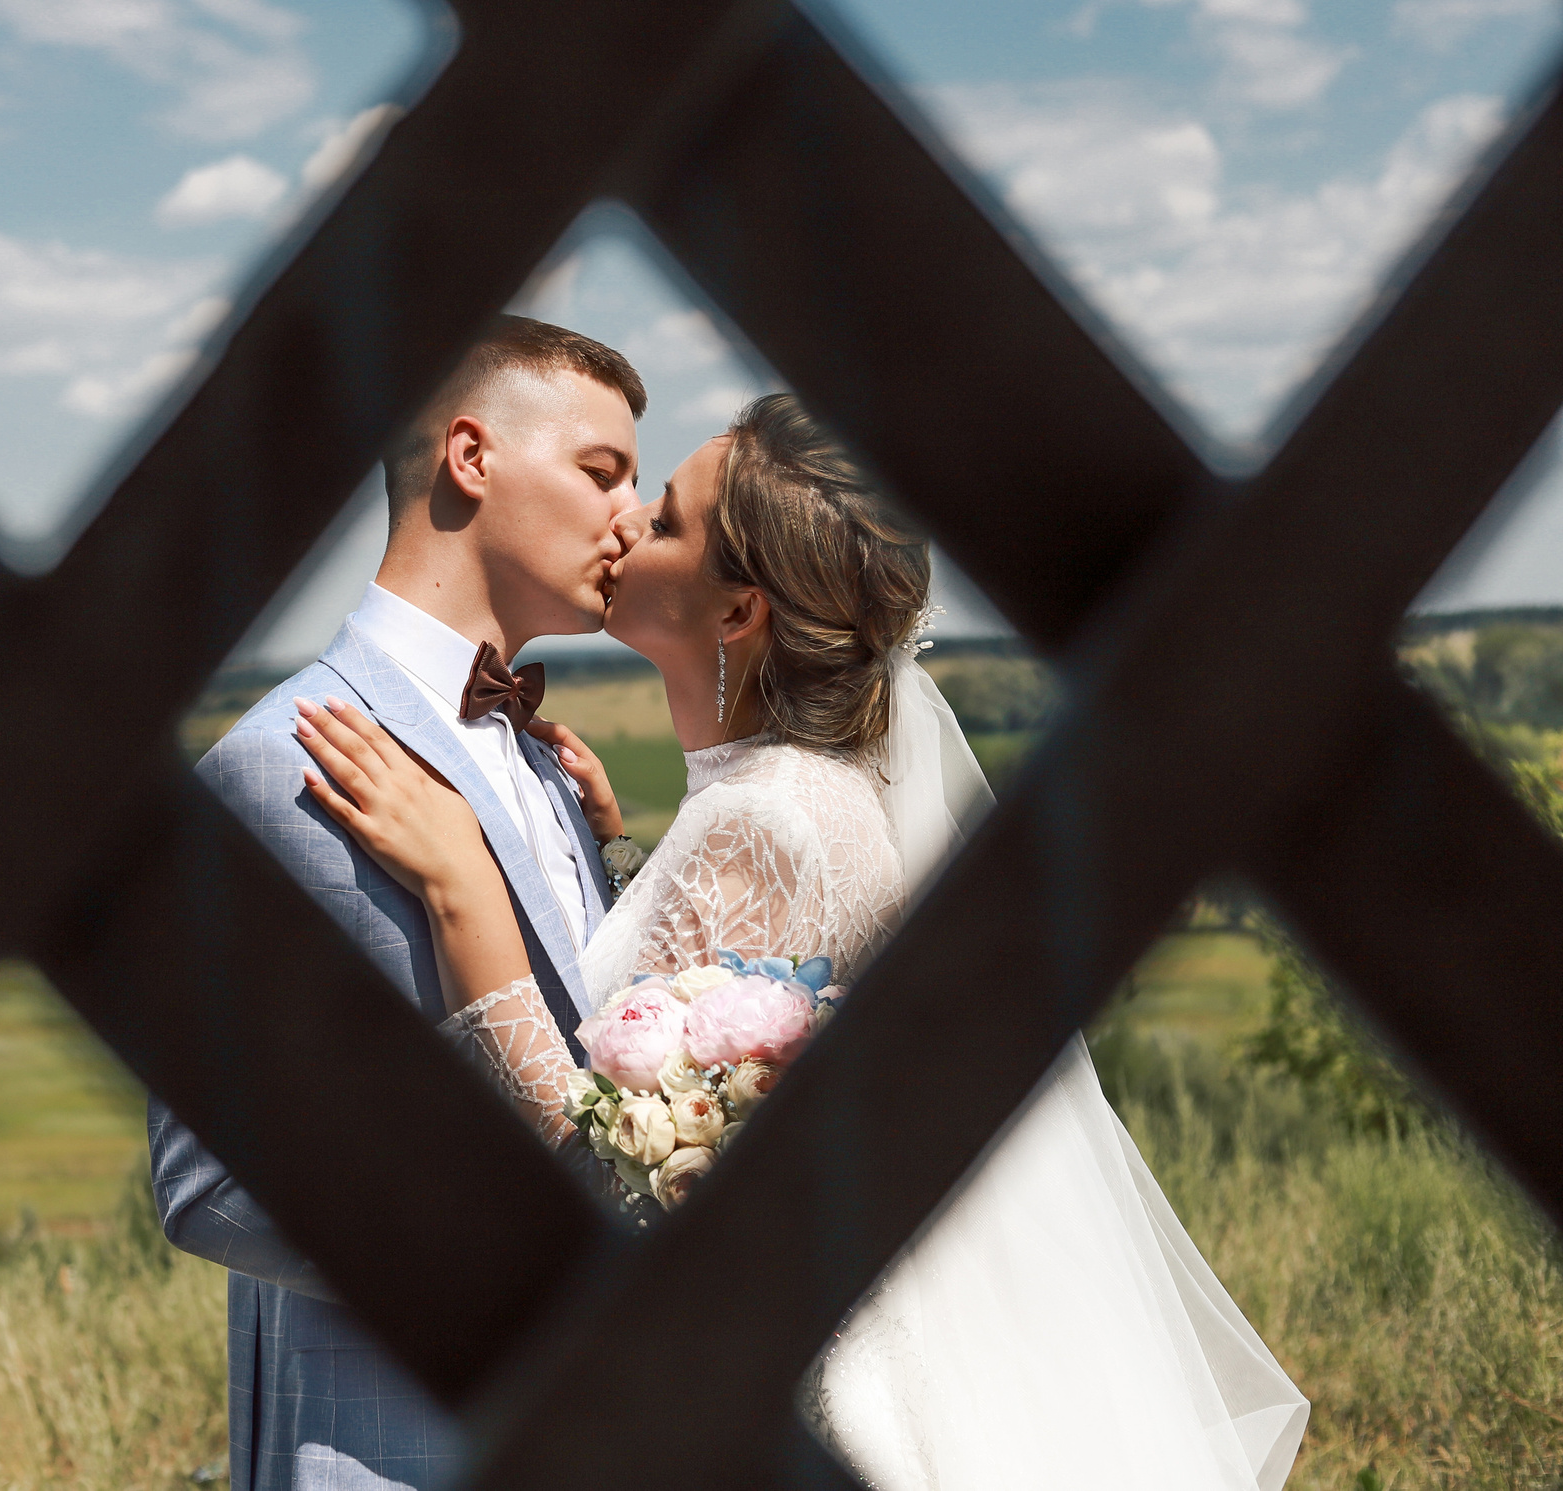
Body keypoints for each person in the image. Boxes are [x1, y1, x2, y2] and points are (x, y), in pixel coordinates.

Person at [293, 395, 1310, 1491]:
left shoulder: (764, 824)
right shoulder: (810, 796)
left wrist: (465, 896)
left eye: (665, 519)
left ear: (738, 611)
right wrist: (623, 860)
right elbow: (712, 1018)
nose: (625, 520)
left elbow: (603, 1170)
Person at [151, 316, 648, 1491]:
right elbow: (208, 1189)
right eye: (602, 471)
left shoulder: (550, 767)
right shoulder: (280, 764)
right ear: (470, 458)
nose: (632, 517)